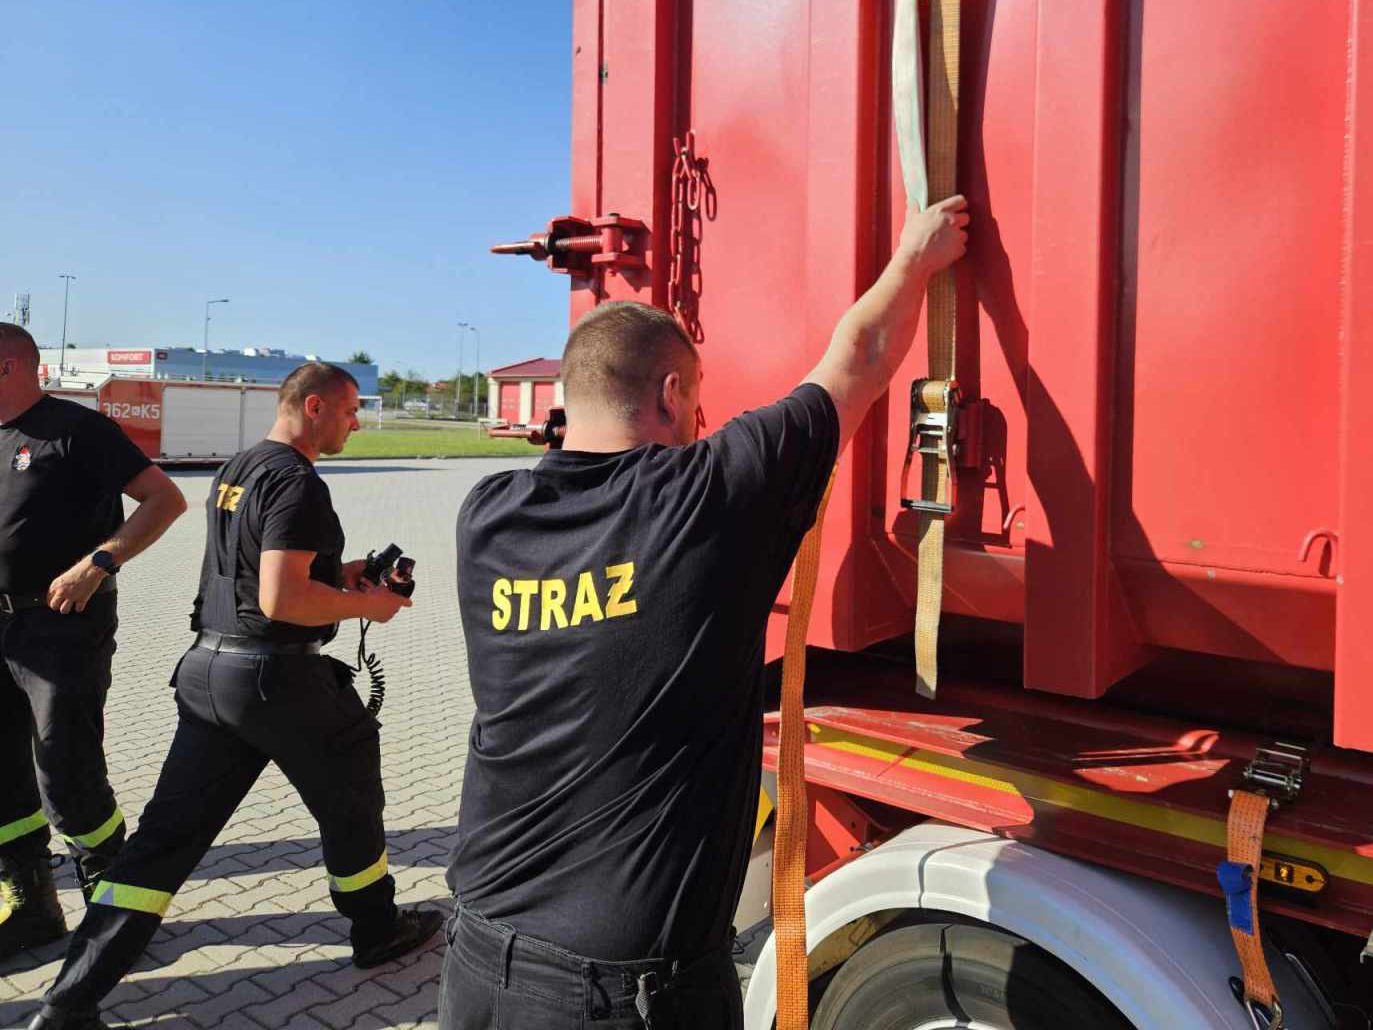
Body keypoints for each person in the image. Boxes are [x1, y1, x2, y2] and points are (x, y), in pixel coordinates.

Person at [441, 194, 970, 1029]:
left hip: (476, 961)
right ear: (671, 390)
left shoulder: (488, 517)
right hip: (617, 996)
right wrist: (917, 256)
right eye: (695, 401)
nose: (701, 421)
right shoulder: (701, 501)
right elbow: (861, 357)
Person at [29, 362, 444, 1030]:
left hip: (208, 676)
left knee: (159, 848)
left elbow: (254, 570)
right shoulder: (299, 482)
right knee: (352, 798)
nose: (356, 423)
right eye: (348, 410)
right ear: (314, 406)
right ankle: (376, 928)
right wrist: (368, 606)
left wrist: (340, 573)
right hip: (277, 681)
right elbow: (281, 599)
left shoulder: (240, 467)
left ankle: (67, 1003)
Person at [0, 323, 187, 961]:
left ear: (8, 367)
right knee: (3, 772)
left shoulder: (77, 430)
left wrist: (98, 563)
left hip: (61, 626)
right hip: (1, 627)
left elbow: (164, 500)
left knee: (66, 770)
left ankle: (115, 906)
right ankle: (31, 905)